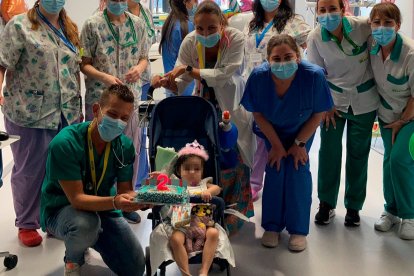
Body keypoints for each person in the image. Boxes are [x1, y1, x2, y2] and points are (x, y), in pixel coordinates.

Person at [152, 0, 255, 234]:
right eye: (200, 28)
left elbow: (221, 75)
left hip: (231, 104)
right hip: (204, 107)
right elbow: (180, 79)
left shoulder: (235, 39)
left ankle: (232, 217)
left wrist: (188, 70)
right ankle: (206, 214)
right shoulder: (191, 41)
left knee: (234, 159)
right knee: (209, 158)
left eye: (211, 28)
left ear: (222, 24)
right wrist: (167, 81)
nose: (205, 33)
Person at [40, 84, 147, 276]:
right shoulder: (65, 143)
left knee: (135, 268)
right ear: (96, 110)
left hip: (103, 209)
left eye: (124, 118)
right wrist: (115, 202)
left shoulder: (124, 146)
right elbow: (77, 200)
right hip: (62, 209)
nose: (118, 122)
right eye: (112, 114)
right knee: (85, 225)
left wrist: (146, 195)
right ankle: (73, 261)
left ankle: (90, 237)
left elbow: (125, 191)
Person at [0, 0, 82, 247]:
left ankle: (54, 219)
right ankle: (27, 223)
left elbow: (74, 69)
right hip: (30, 111)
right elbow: (2, 63)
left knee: (61, 170)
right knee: (31, 170)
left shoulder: (70, 29)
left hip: (67, 110)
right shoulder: (19, 26)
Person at [241, 34, 333, 251]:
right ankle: (272, 226)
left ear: (298, 56)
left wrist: (299, 144)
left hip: (302, 130)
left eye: (288, 57)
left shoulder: (314, 76)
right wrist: (276, 146)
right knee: (275, 168)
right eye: (276, 58)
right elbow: (258, 113)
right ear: (268, 60)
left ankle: (298, 230)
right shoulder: (259, 77)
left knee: (297, 170)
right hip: (272, 131)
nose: (283, 63)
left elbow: (319, 112)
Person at [307, 0, 379, 227]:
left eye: (332, 9)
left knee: (358, 154)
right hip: (333, 103)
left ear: (342, 9)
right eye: (323, 10)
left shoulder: (361, 26)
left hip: (364, 100)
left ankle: (353, 207)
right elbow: (317, 74)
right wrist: (325, 103)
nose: (328, 14)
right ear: (317, 13)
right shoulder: (316, 37)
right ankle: (326, 204)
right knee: (329, 152)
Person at [80, 0, 149, 223]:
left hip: (130, 101)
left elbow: (144, 57)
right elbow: (84, 63)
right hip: (102, 100)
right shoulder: (92, 25)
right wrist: (104, 77)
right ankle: (95, 203)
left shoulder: (137, 24)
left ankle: (126, 202)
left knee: (127, 152)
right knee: (96, 152)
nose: (118, 2)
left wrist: (139, 69)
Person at [243, 0, 311, 201]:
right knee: (257, 137)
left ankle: (279, 183)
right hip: (255, 83)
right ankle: (254, 182)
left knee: (277, 136)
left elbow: (312, 46)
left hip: (283, 86)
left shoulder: (294, 22)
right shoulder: (252, 23)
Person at [368, 2, 414, 240]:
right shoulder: (373, 47)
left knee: (400, 160)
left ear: (398, 25)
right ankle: (391, 211)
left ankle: (410, 214)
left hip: (410, 116)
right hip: (387, 114)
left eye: (388, 23)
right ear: (370, 24)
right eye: (377, 22)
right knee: (388, 161)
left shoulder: (410, 53)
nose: (382, 28)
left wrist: (403, 121)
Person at [152, 140, 222, 276]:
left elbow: (217, 188)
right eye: (187, 168)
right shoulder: (176, 184)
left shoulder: (204, 184)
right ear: (179, 170)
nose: (192, 172)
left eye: (197, 169)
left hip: (203, 224)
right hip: (182, 224)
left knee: (213, 233)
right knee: (175, 239)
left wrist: (209, 192)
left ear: (202, 171)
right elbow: (163, 186)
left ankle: (204, 271)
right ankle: (186, 273)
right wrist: (160, 178)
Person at [159, 0, 197, 97]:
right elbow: (193, 62)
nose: (196, 3)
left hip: (172, 87)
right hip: (185, 89)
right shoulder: (186, 26)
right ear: (185, 2)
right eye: (195, 0)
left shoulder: (170, 23)